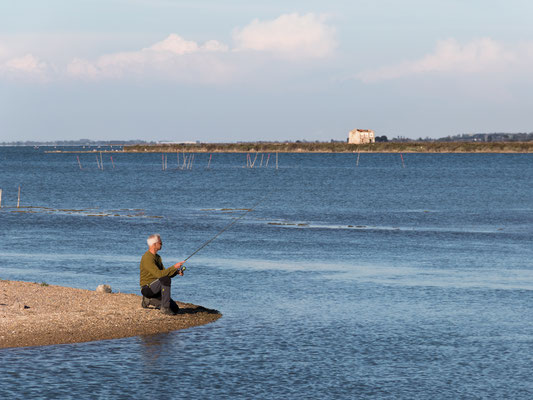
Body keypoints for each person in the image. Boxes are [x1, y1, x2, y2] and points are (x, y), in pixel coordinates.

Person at [140, 234, 185, 315]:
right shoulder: (147, 258)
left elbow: (164, 273)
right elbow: (160, 275)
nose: (162, 244)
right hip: (147, 288)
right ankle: (165, 308)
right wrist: (174, 267)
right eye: (160, 242)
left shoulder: (157, 257)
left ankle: (149, 300)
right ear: (154, 244)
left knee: (175, 309)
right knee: (165, 279)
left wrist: (176, 272)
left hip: (157, 288)